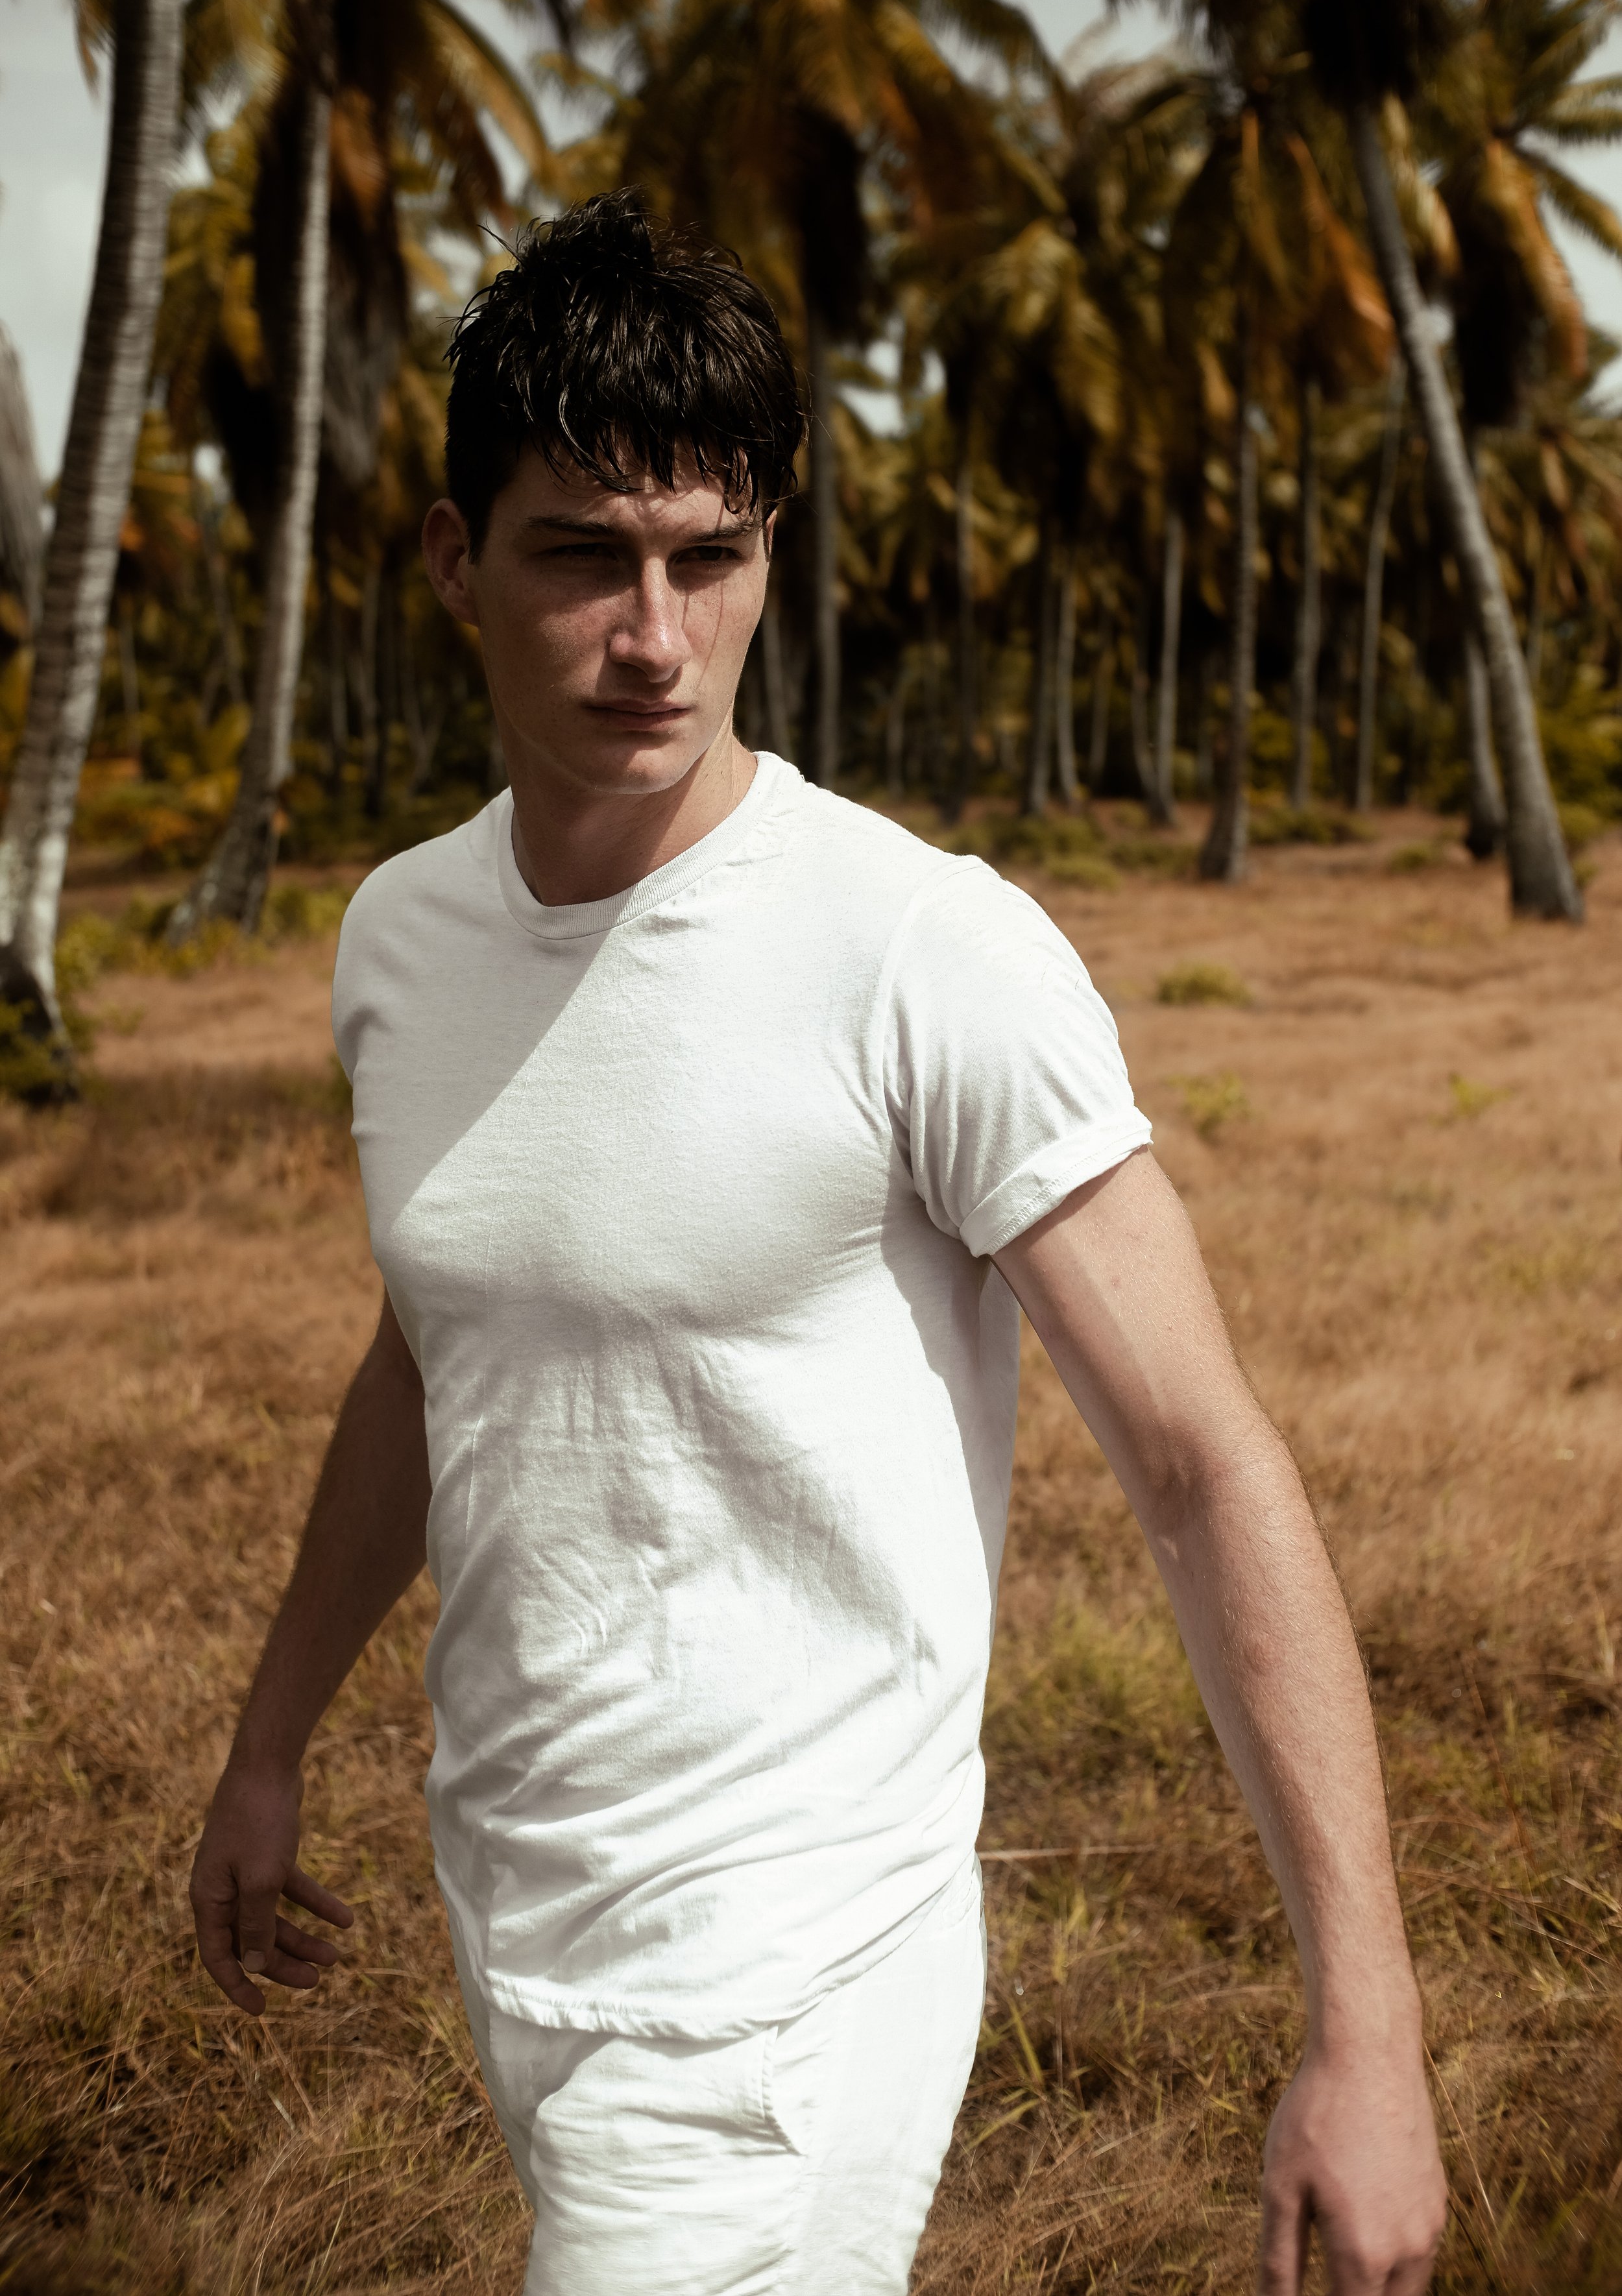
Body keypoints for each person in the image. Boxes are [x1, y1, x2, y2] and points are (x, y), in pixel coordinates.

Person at [191, 189, 1446, 2296]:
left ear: (770, 556)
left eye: (711, 559)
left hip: (786, 1979)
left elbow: (1204, 1466)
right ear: (450, 560)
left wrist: (1368, 2034)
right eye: (583, 555)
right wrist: (268, 1737)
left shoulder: (920, 952)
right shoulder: (400, 939)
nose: (652, 637)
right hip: (523, 1919)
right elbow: (438, 1351)